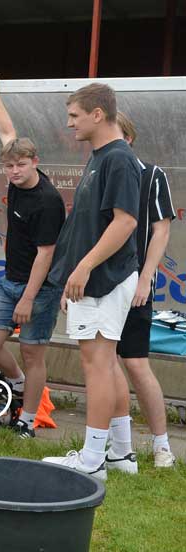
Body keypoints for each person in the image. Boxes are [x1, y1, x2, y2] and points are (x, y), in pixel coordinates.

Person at [41, 84, 142, 480]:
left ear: (98, 114)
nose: (70, 124)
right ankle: (120, 454)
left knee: (96, 364)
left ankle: (92, 459)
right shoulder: (102, 157)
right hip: (95, 279)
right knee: (107, 364)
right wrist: (72, 272)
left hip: (103, 279)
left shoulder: (118, 158)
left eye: (74, 116)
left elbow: (126, 222)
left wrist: (83, 269)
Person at [0, 75, 66, 439]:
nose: (14, 171)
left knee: (33, 353)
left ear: (35, 162)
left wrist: (28, 298)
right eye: (9, 166)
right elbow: (5, 131)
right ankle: (15, 383)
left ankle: (27, 420)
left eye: (21, 165)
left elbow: (47, 254)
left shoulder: (47, 201)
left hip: (40, 289)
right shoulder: (14, 174)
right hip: (9, 281)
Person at [113, 111, 177, 468]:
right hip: (100, 286)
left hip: (134, 285)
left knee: (135, 363)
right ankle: (115, 443)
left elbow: (162, 230)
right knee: (103, 362)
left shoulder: (151, 174)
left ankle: (161, 444)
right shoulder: (100, 172)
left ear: (129, 137)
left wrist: (144, 277)